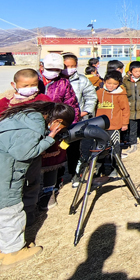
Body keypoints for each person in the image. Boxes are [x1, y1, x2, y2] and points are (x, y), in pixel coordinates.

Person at [0, 101, 75, 269]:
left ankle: (2, 249)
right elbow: (25, 153)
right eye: (60, 127)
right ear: (57, 122)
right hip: (3, 174)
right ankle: (13, 252)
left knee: (1, 212)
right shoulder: (34, 127)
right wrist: (49, 138)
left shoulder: (22, 118)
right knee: (12, 212)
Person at [0, 68, 52, 226]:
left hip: (33, 152)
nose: (30, 89)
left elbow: (52, 122)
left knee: (32, 182)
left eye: (33, 85)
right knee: (11, 183)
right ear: (14, 85)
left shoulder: (44, 100)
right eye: (25, 85)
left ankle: (29, 210)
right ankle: (9, 211)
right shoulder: (4, 104)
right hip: (8, 154)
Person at [38, 53, 80, 210]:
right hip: (35, 126)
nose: (54, 73)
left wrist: (69, 125)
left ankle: (50, 190)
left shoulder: (63, 83)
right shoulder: (34, 81)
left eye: (57, 70)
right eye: (51, 69)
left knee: (53, 158)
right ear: (42, 67)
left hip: (56, 127)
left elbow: (72, 105)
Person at [63, 54, 98, 188]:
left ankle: (75, 174)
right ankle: (58, 177)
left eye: (72, 66)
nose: (69, 69)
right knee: (59, 150)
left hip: (77, 120)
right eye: (66, 66)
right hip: (58, 122)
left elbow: (91, 96)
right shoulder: (56, 81)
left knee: (74, 149)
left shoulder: (82, 80)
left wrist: (84, 112)